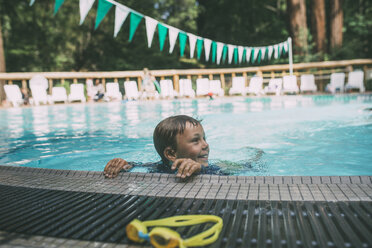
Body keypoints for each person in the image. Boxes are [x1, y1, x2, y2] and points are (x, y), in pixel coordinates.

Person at [104, 115, 224, 179]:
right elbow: (136, 166)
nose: (206, 145)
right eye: (195, 140)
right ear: (171, 154)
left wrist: (200, 169)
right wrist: (124, 165)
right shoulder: (158, 168)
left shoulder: (212, 171)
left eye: (204, 138)